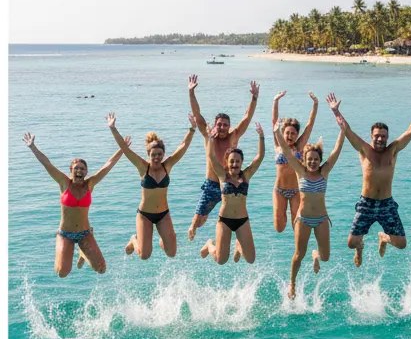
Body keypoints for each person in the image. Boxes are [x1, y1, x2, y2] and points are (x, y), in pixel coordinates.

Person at [333, 92, 411, 265]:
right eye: (377, 135)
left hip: (387, 203)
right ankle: (360, 248)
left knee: (401, 244)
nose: (380, 139)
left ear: (387, 137)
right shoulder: (364, 150)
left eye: (383, 136)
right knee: (351, 243)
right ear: (371, 136)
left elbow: (410, 131)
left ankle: (384, 238)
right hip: (367, 203)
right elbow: (347, 130)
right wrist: (336, 112)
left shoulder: (393, 150)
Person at [24, 130, 126, 277]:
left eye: (82, 169)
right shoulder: (64, 183)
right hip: (65, 234)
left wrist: (122, 148)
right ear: (71, 171)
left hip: (84, 233)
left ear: (86, 172)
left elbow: (108, 166)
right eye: (76, 168)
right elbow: (47, 164)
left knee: (101, 269)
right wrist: (33, 147)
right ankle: (75, 251)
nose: (79, 170)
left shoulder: (90, 184)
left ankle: (83, 253)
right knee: (62, 272)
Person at [273, 101, 346, 297]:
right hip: (303, 219)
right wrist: (277, 131)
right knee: (298, 255)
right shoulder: (300, 172)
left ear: (319, 160)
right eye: (309, 159)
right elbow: (287, 151)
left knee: (325, 257)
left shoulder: (325, 172)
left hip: (321, 219)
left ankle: (316, 256)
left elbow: (337, 150)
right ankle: (292, 285)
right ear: (304, 160)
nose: (313, 162)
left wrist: (342, 129)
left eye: (316, 159)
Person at [106, 112, 197, 259]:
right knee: (144, 255)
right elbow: (125, 149)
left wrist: (192, 129)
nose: (156, 158)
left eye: (160, 154)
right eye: (153, 154)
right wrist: (113, 128)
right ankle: (133, 240)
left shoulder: (167, 166)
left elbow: (183, 146)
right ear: (148, 154)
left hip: (163, 214)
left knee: (172, 253)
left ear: (163, 154)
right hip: (145, 215)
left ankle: (163, 239)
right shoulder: (143, 167)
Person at [186, 74, 259, 241]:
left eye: (226, 125)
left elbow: (247, 117)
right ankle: (200, 235)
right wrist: (191, 93)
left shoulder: (233, 137)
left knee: (237, 217)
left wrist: (254, 98)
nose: (222, 127)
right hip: (212, 183)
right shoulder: (208, 134)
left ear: (229, 126)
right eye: (219, 124)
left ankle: (238, 241)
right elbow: (197, 115)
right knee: (199, 221)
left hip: (229, 182)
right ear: (214, 124)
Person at [198, 121, 266, 265]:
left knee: (251, 259)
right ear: (227, 162)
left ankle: (238, 245)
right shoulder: (223, 176)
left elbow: (259, 156)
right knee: (220, 260)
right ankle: (210, 244)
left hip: (242, 220)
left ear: (241, 162)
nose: (234, 164)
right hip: (225, 220)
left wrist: (261, 137)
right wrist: (210, 138)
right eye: (232, 162)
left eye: (237, 162)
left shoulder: (246, 175)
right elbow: (210, 156)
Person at [270, 90, 319, 232]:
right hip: (279, 190)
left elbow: (310, 125)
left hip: (296, 190)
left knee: (296, 226)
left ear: (297, 135)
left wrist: (315, 104)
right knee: (279, 227)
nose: (290, 136)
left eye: (293, 133)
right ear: (283, 133)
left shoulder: (299, 147)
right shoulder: (278, 145)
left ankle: (301, 249)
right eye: (287, 133)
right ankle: (282, 214)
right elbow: (274, 122)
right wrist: (276, 101)